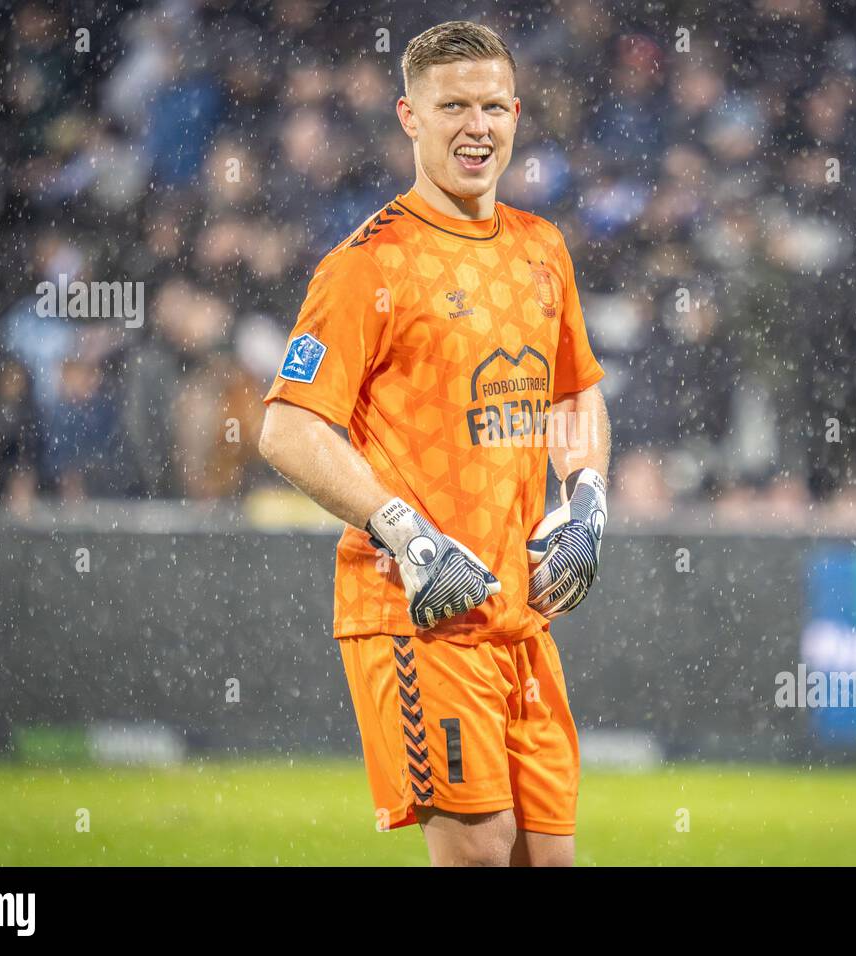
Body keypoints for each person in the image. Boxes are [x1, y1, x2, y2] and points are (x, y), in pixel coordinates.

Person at [257, 21, 611, 867]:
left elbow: (574, 391)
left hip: (520, 616)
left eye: (493, 105)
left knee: (548, 861)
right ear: (409, 116)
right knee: (480, 853)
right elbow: (287, 426)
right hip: (417, 610)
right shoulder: (365, 266)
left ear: (518, 114)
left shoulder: (541, 248)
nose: (476, 126)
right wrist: (407, 536)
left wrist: (589, 499)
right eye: (453, 106)